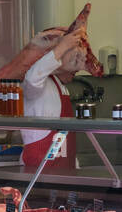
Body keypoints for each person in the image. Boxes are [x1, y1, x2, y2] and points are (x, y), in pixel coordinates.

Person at [21, 28, 87, 173]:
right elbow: (32, 78)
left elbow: (65, 138)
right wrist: (63, 46)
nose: (76, 70)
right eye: (72, 59)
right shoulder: (40, 83)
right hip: (39, 170)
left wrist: (75, 166)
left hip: (63, 170)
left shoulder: (62, 88)